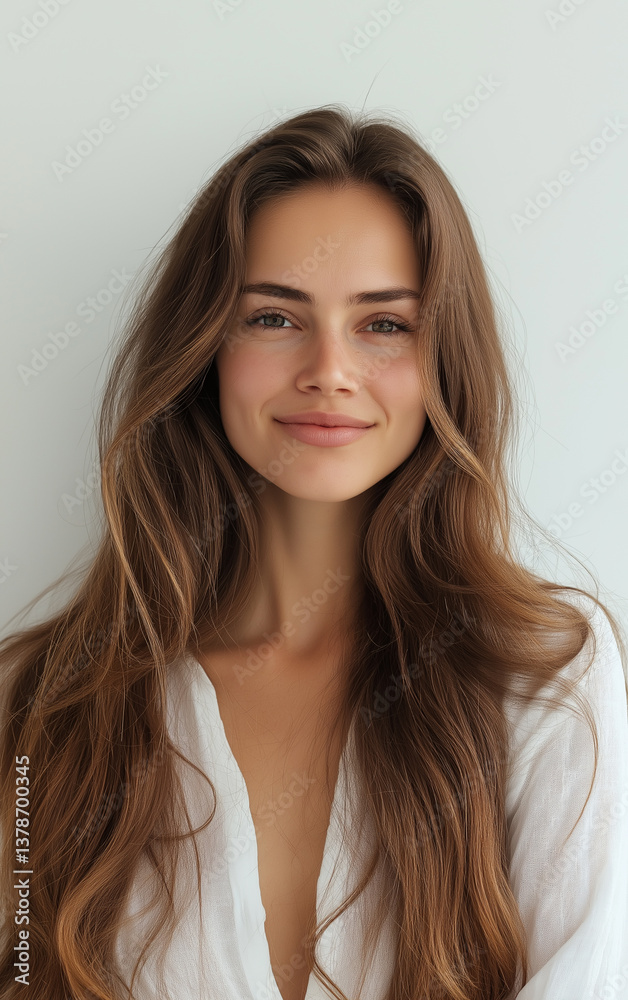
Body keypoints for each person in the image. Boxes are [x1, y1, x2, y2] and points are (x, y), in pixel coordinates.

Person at [1, 105, 627, 1000]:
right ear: (204, 348)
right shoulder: (43, 705)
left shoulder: (546, 675)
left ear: (444, 359)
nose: (329, 369)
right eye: (272, 318)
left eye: (384, 325)